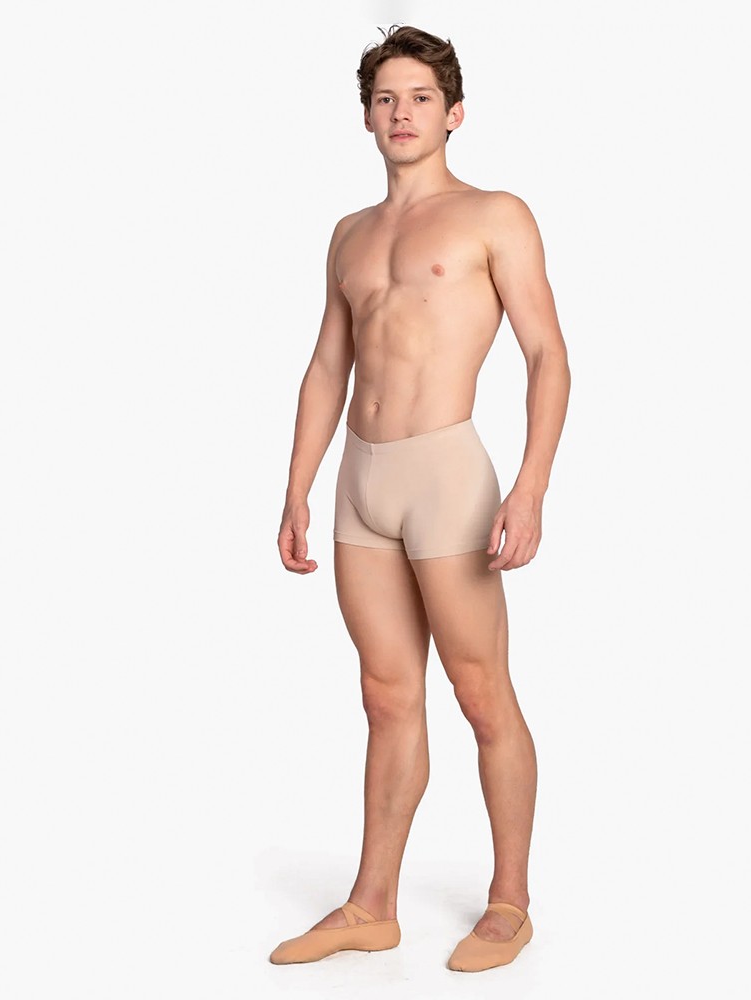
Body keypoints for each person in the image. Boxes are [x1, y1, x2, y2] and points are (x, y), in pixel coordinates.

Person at [272, 24, 570, 973]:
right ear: (367, 116)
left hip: (447, 478)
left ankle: (510, 901)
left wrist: (531, 485)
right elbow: (328, 365)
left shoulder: (495, 215)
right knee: (386, 694)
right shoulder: (349, 235)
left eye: (420, 99)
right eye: (386, 99)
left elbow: (546, 354)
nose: (402, 114)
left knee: (481, 692)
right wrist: (296, 488)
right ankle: (372, 905)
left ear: (455, 113)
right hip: (361, 482)